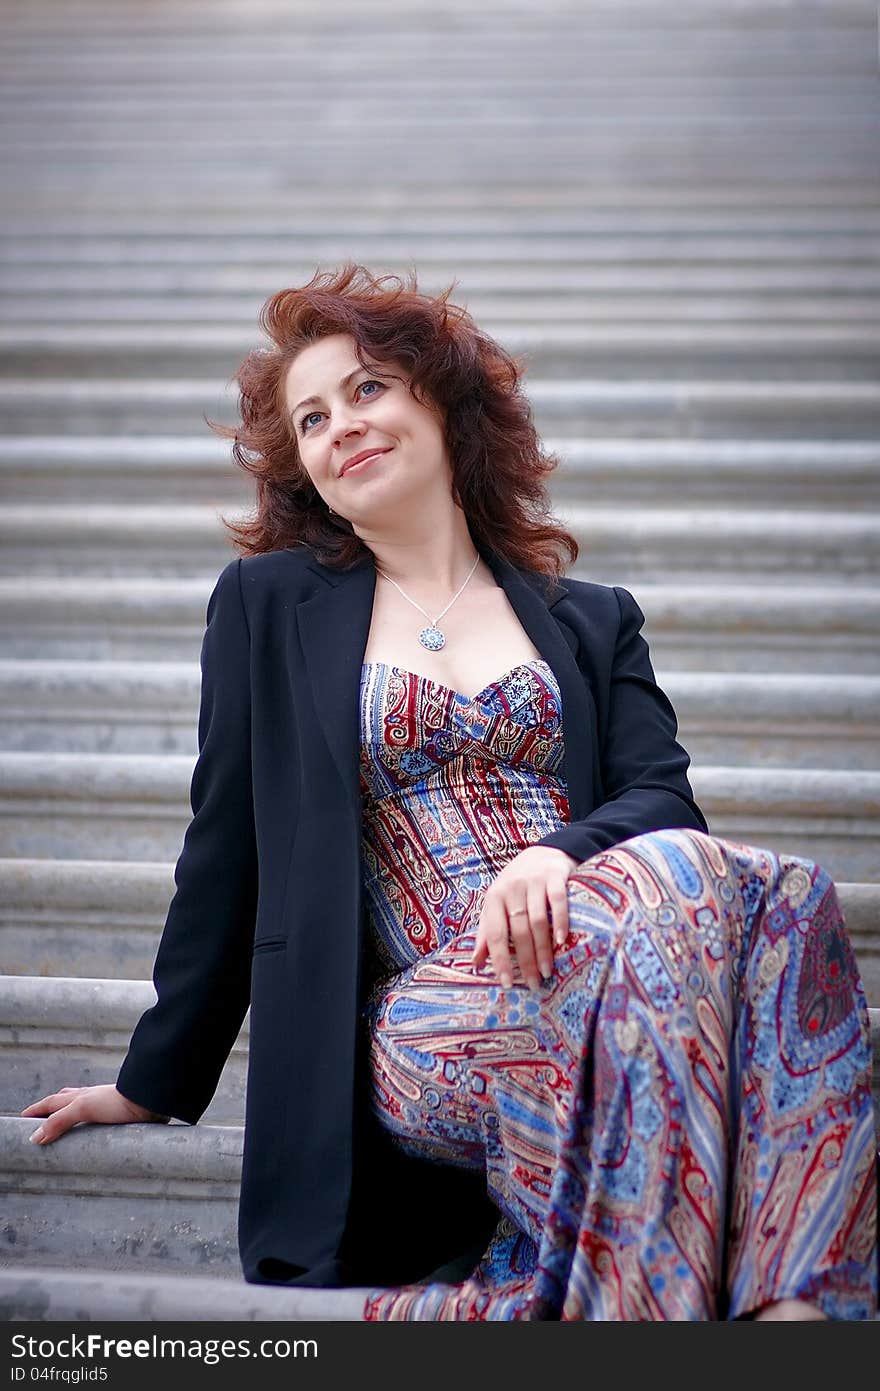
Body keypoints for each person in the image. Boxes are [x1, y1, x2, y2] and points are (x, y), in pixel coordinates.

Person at [22, 263, 877, 1321]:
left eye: (368, 389)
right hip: (428, 1014)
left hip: (620, 969)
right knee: (681, 920)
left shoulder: (591, 615)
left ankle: (791, 1310)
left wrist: (553, 852)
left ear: (441, 400)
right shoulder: (268, 606)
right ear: (303, 466)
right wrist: (155, 1076)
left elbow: (662, 798)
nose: (342, 425)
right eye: (312, 417)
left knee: (785, 892)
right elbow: (224, 851)